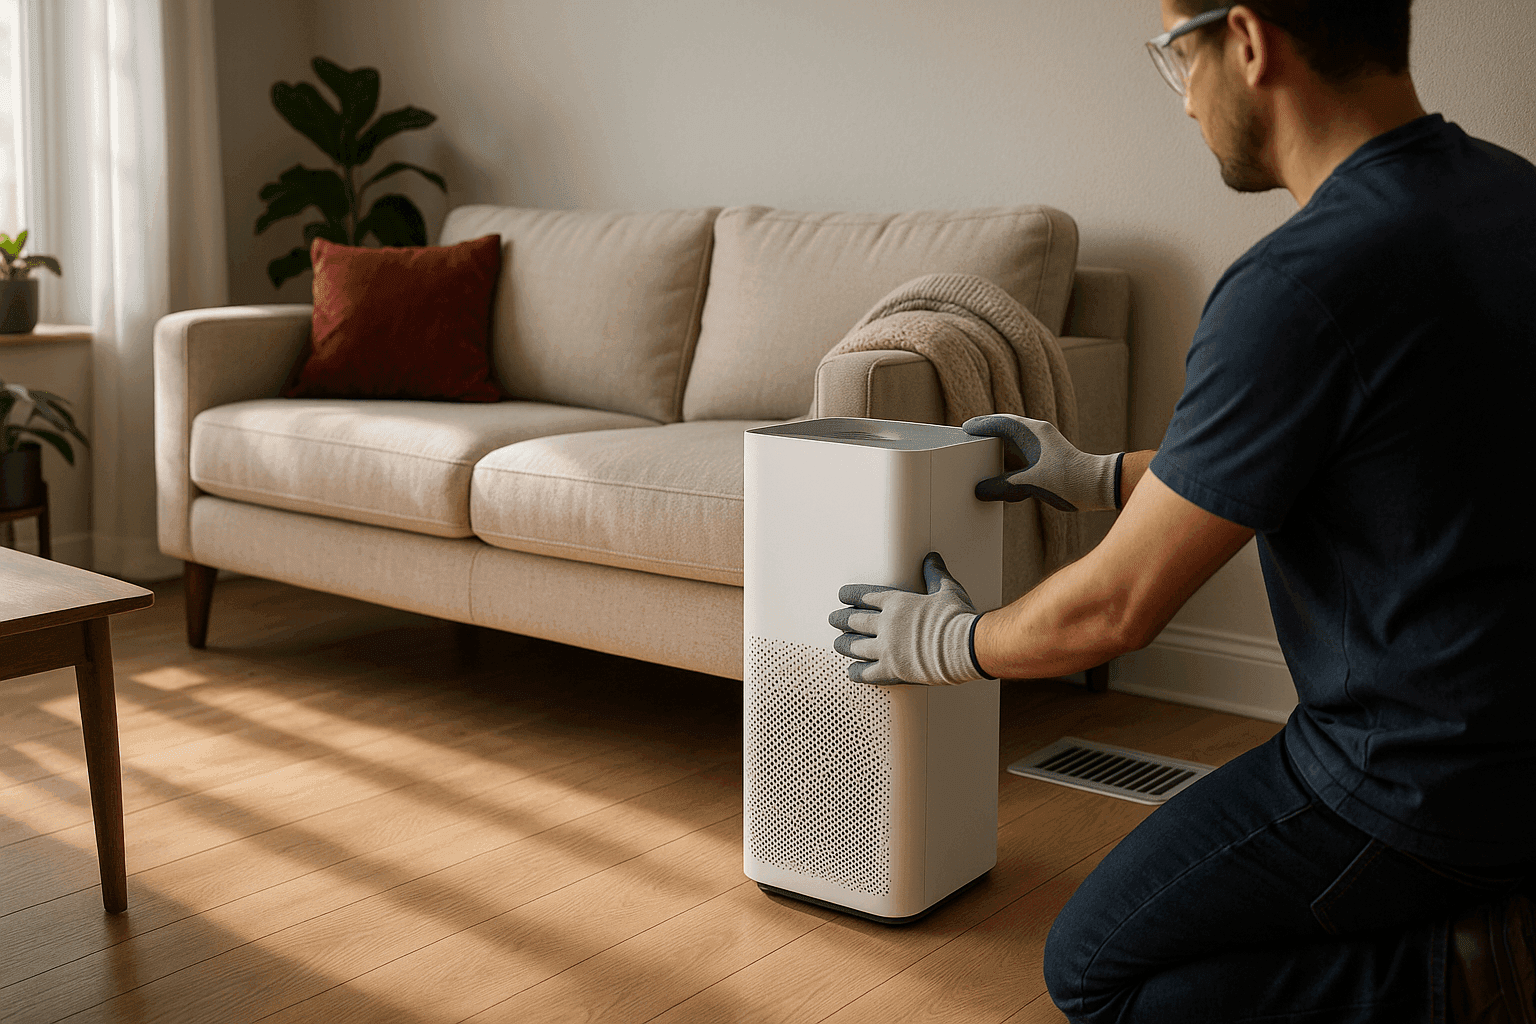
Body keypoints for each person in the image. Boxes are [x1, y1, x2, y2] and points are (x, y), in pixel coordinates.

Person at [828, 1, 1536, 1020]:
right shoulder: (1506, 196)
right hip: (1512, 745)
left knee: (1095, 971)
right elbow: (1370, 460)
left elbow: (1115, 612)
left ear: (1246, 41)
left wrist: (949, 640)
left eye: (1176, 56)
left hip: (1406, 784)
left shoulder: (1299, 283)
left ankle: (1471, 971)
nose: (1186, 99)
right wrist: (1095, 472)